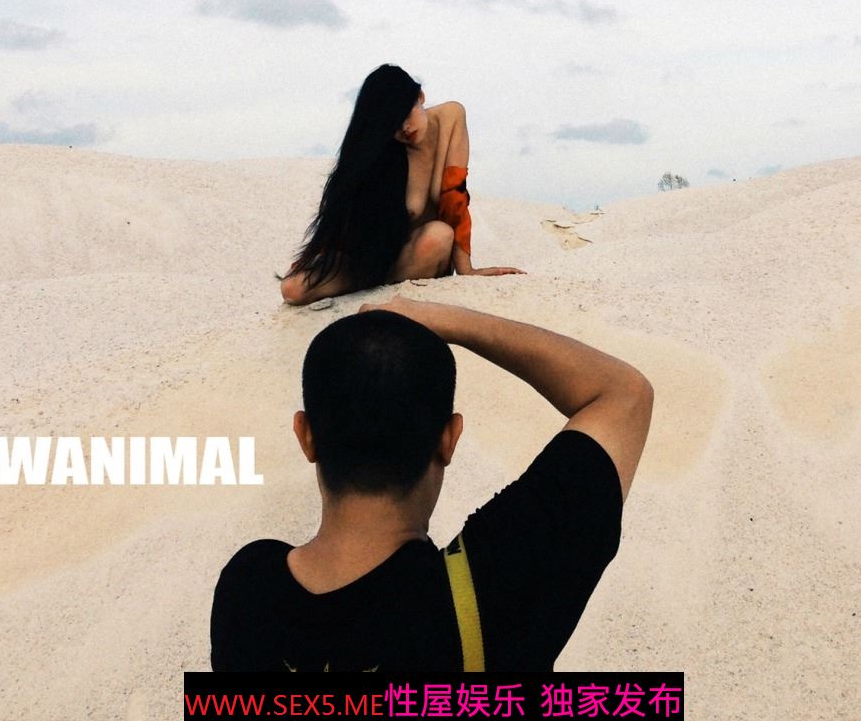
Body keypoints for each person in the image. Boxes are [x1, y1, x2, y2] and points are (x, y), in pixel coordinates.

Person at [210, 297, 652, 672]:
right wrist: (447, 319)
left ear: (305, 436)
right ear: (449, 438)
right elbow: (623, 394)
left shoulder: (245, 592)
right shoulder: (490, 592)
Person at [279, 65, 524, 306]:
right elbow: (349, 211)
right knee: (293, 288)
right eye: (392, 125)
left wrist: (467, 270)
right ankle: (363, 281)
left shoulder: (451, 117)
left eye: (406, 114)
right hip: (372, 260)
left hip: (419, 254)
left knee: (439, 235)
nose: (404, 128)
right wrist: (323, 256)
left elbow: (455, 197)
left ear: (420, 97)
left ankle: (363, 284)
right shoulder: (384, 154)